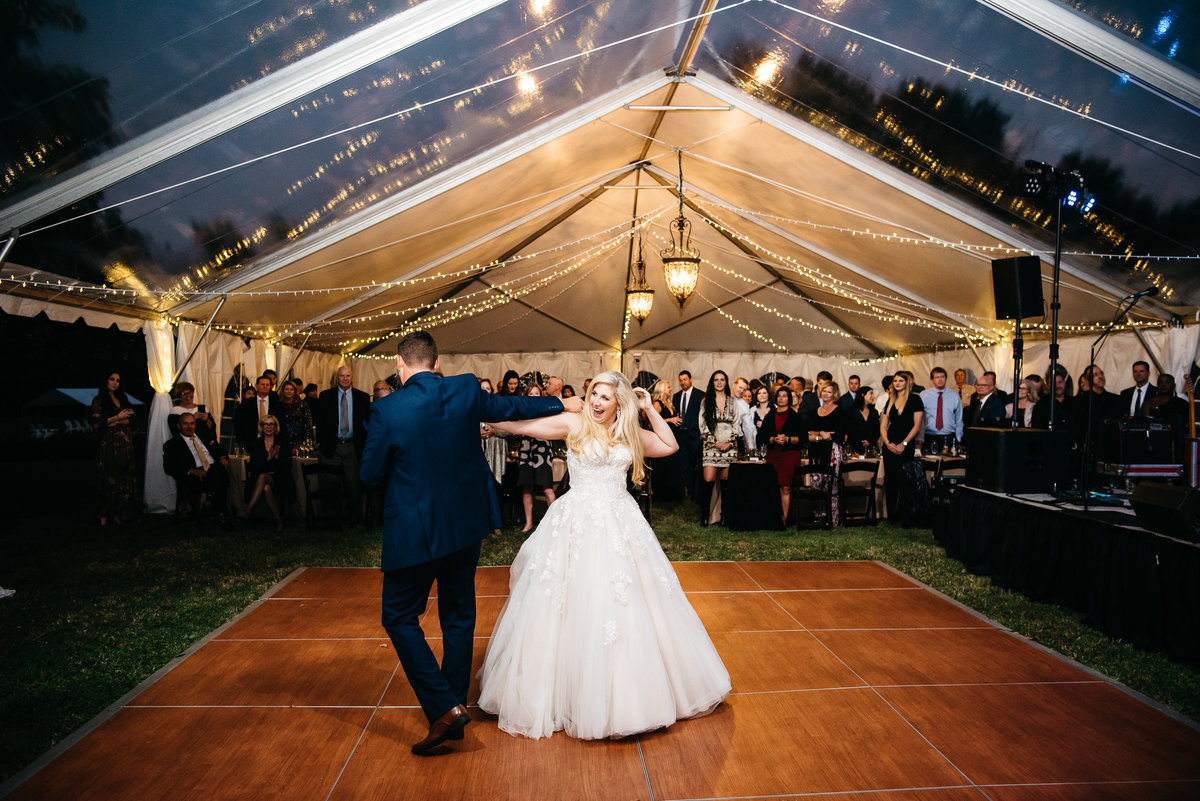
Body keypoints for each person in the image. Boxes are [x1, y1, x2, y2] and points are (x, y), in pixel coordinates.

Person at [478, 371, 730, 739]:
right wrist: (485, 417)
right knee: (568, 604)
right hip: (575, 522)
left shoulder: (629, 433)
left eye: (605, 397)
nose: (596, 402)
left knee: (625, 603)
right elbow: (524, 427)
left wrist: (648, 408)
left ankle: (627, 695)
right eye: (593, 394)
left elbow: (670, 445)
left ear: (619, 403)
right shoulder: (573, 423)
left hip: (620, 521)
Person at [359, 331, 576, 755]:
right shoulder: (463, 387)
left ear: (401, 366)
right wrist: (561, 402)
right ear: (437, 364)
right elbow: (512, 406)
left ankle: (444, 707)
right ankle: (455, 702)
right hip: (464, 524)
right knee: (458, 614)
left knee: (399, 615)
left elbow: (369, 475)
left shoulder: (386, 409)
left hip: (414, 529)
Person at [316, 366, 370, 521]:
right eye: (342, 376)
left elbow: (367, 424)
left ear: (352, 377)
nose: (345, 379)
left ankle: (354, 518)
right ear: (337, 378)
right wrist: (321, 443)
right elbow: (320, 422)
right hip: (332, 446)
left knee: (353, 483)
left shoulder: (363, 397)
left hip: (353, 446)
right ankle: (331, 518)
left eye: (348, 376)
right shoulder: (326, 396)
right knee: (329, 482)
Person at [163, 412, 231, 527]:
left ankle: (216, 506)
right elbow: (169, 466)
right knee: (220, 473)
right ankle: (221, 511)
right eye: (185, 424)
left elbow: (220, 450)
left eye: (192, 423)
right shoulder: (172, 445)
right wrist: (191, 470)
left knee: (219, 469)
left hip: (214, 468)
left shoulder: (204, 436)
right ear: (178, 426)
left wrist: (223, 457)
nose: (189, 427)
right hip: (196, 475)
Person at [90, 372, 140, 526]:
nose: (115, 383)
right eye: (112, 379)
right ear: (105, 381)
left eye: (118, 380)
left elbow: (132, 419)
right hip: (109, 444)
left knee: (125, 477)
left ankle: (121, 513)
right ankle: (104, 515)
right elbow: (97, 424)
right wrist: (118, 418)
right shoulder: (99, 400)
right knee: (109, 477)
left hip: (125, 444)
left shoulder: (123, 399)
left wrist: (113, 421)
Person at [880, 370, 925, 521]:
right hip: (890, 444)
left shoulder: (915, 399)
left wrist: (904, 444)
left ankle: (906, 515)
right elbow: (883, 425)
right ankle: (892, 515)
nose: (897, 383)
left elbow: (917, 425)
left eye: (900, 381)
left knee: (905, 480)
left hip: (906, 444)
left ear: (907, 383)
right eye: (895, 381)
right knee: (890, 480)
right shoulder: (890, 400)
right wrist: (887, 443)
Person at [758, 386, 806, 524]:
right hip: (773, 454)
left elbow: (803, 438)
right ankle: (773, 516)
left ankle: (784, 519)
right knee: (773, 486)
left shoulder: (796, 417)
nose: (781, 398)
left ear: (789, 399)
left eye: (784, 396)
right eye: (779, 396)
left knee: (786, 486)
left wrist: (788, 439)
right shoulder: (769, 416)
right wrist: (773, 439)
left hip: (790, 454)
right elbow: (762, 436)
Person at [515, 383, 557, 533]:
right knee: (527, 488)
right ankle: (528, 523)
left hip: (542, 452)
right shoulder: (522, 410)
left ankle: (555, 523)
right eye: (531, 394)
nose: (533, 396)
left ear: (541, 395)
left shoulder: (547, 410)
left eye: (536, 393)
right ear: (526, 396)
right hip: (526, 451)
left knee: (547, 488)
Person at [698, 370, 738, 526]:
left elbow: (737, 424)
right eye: (716, 380)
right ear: (712, 382)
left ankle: (724, 516)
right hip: (711, 445)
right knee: (708, 480)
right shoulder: (706, 401)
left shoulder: (733, 402)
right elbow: (702, 424)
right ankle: (705, 515)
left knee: (726, 483)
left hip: (729, 446)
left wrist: (729, 442)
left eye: (722, 380)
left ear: (726, 382)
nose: (719, 382)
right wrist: (714, 442)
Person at [806, 382, 848, 527]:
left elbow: (841, 434)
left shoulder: (839, 412)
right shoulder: (814, 411)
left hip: (832, 451)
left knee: (832, 485)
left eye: (829, 392)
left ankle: (832, 519)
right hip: (816, 452)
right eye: (824, 391)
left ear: (834, 394)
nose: (826, 394)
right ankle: (819, 518)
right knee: (816, 485)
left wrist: (828, 436)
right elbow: (809, 432)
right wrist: (821, 434)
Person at [242, 415, 291, 530]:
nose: (269, 427)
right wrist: (269, 458)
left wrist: (277, 457)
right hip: (260, 478)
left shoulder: (283, 442)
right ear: (262, 427)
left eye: (271, 424)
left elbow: (288, 466)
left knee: (263, 477)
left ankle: (247, 512)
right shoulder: (256, 444)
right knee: (266, 487)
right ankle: (279, 521)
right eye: (266, 424)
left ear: (275, 427)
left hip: (280, 478)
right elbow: (255, 468)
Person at [647, 378, 684, 501]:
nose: (671, 389)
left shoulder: (669, 402)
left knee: (673, 467)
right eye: (668, 387)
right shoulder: (657, 404)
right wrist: (670, 420)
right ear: (662, 389)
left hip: (673, 438)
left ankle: (672, 495)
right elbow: (651, 422)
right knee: (662, 467)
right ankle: (661, 495)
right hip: (661, 439)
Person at [672, 370, 703, 500]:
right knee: (685, 465)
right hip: (681, 436)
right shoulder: (676, 396)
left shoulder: (700, 395)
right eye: (681, 380)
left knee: (697, 465)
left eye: (685, 379)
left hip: (695, 436)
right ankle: (689, 492)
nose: (683, 382)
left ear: (690, 379)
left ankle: (698, 493)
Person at [920, 367, 963, 452]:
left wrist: (958, 439)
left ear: (946, 378)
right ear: (931, 380)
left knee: (949, 464)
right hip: (929, 437)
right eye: (937, 377)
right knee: (929, 464)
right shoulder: (923, 395)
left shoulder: (954, 395)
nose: (940, 380)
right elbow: (919, 419)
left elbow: (959, 419)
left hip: (949, 437)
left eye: (942, 377)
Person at [235, 374, 280, 450]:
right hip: (250, 442)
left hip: (272, 443)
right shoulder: (246, 404)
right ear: (256, 386)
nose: (265, 386)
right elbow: (238, 423)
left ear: (270, 387)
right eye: (262, 384)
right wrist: (241, 440)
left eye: (267, 385)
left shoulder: (277, 405)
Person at [277, 380, 313, 447]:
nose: (289, 391)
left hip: (299, 438)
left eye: (291, 389)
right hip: (282, 438)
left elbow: (308, 422)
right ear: (283, 391)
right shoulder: (278, 405)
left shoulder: (302, 404)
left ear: (295, 391)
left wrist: (307, 438)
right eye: (287, 389)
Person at [849, 386, 880, 454]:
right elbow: (849, 429)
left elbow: (877, 430)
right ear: (863, 395)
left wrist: (870, 441)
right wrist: (860, 441)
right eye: (871, 393)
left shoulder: (874, 412)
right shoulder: (851, 411)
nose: (873, 396)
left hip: (871, 448)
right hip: (854, 448)